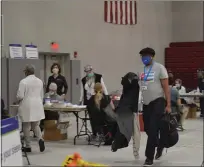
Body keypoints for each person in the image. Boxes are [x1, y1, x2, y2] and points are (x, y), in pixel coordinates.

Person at [139, 47, 171, 166]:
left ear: (152, 56)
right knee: (147, 129)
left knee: (152, 129)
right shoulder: (141, 70)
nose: (144, 58)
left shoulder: (160, 68)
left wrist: (168, 104)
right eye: (142, 56)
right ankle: (159, 144)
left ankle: (149, 157)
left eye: (146, 56)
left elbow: (166, 87)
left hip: (158, 102)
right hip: (146, 104)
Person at [17, 64, 45, 152]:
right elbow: (42, 95)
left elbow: (20, 96)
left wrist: (18, 98)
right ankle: (40, 139)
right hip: (38, 104)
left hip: (27, 105)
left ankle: (28, 146)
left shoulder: (23, 81)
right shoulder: (40, 81)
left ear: (26, 72)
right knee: (36, 124)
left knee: (26, 126)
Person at [111, 72, 140, 154]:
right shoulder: (135, 86)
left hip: (121, 108)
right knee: (132, 131)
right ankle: (119, 144)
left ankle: (117, 143)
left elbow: (123, 97)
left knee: (121, 128)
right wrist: (135, 110)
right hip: (129, 109)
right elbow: (135, 98)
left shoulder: (125, 86)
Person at [79, 65, 108, 139]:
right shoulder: (83, 79)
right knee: (92, 118)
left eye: (90, 71)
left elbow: (103, 87)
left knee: (99, 117)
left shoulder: (98, 77)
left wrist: (107, 97)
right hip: (88, 100)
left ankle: (101, 133)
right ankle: (94, 133)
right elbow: (83, 90)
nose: (89, 72)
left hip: (97, 99)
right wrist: (80, 100)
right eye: (87, 71)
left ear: (92, 70)